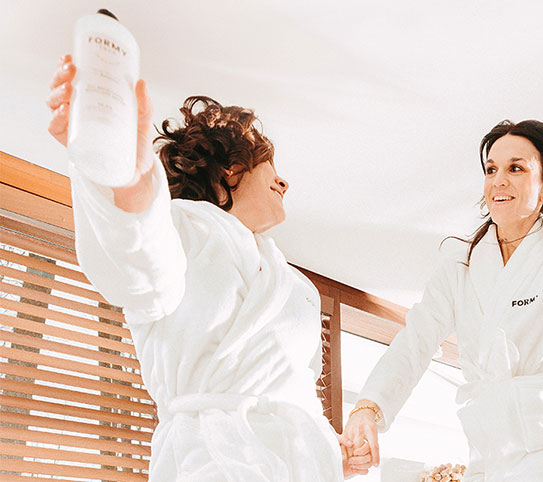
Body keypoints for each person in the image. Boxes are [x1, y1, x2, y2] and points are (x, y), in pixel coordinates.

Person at [46, 54, 369, 481]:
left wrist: (332, 453)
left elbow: (297, 393)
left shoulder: (293, 283)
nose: (284, 182)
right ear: (232, 170)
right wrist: (127, 179)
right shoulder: (181, 228)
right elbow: (136, 261)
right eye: (272, 167)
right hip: (212, 458)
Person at [341, 64, 543, 480]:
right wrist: (369, 407)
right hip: (489, 454)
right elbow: (417, 340)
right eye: (491, 169)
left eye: (516, 168)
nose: (498, 180)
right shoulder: (460, 261)